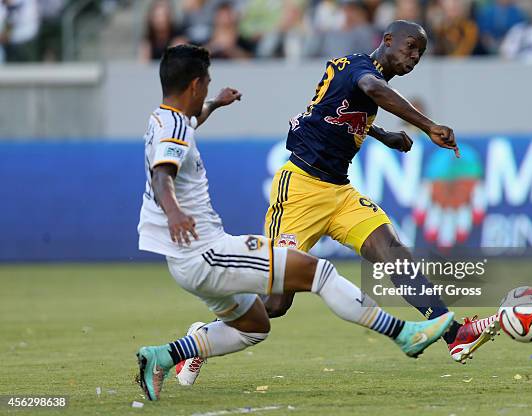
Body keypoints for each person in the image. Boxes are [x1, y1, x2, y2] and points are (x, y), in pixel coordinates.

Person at [135, 44, 455, 401]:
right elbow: (163, 174)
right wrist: (175, 212)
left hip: (208, 247)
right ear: (195, 85)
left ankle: (167, 354)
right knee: (315, 277)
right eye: (207, 85)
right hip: (206, 248)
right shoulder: (174, 129)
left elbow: (191, 123)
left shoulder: (164, 119)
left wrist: (215, 104)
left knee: (256, 325)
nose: (208, 90)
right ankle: (404, 334)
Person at [240, 20, 495, 371]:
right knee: (276, 302)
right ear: (387, 40)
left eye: (420, 52)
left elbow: (337, 109)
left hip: (339, 192)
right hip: (300, 188)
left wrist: (383, 134)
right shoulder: (362, 68)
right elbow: (372, 89)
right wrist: (428, 126)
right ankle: (199, 340)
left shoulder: (362, 76)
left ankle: (454, 335)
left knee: (395, 255)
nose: (414, 57)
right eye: (410, 47)